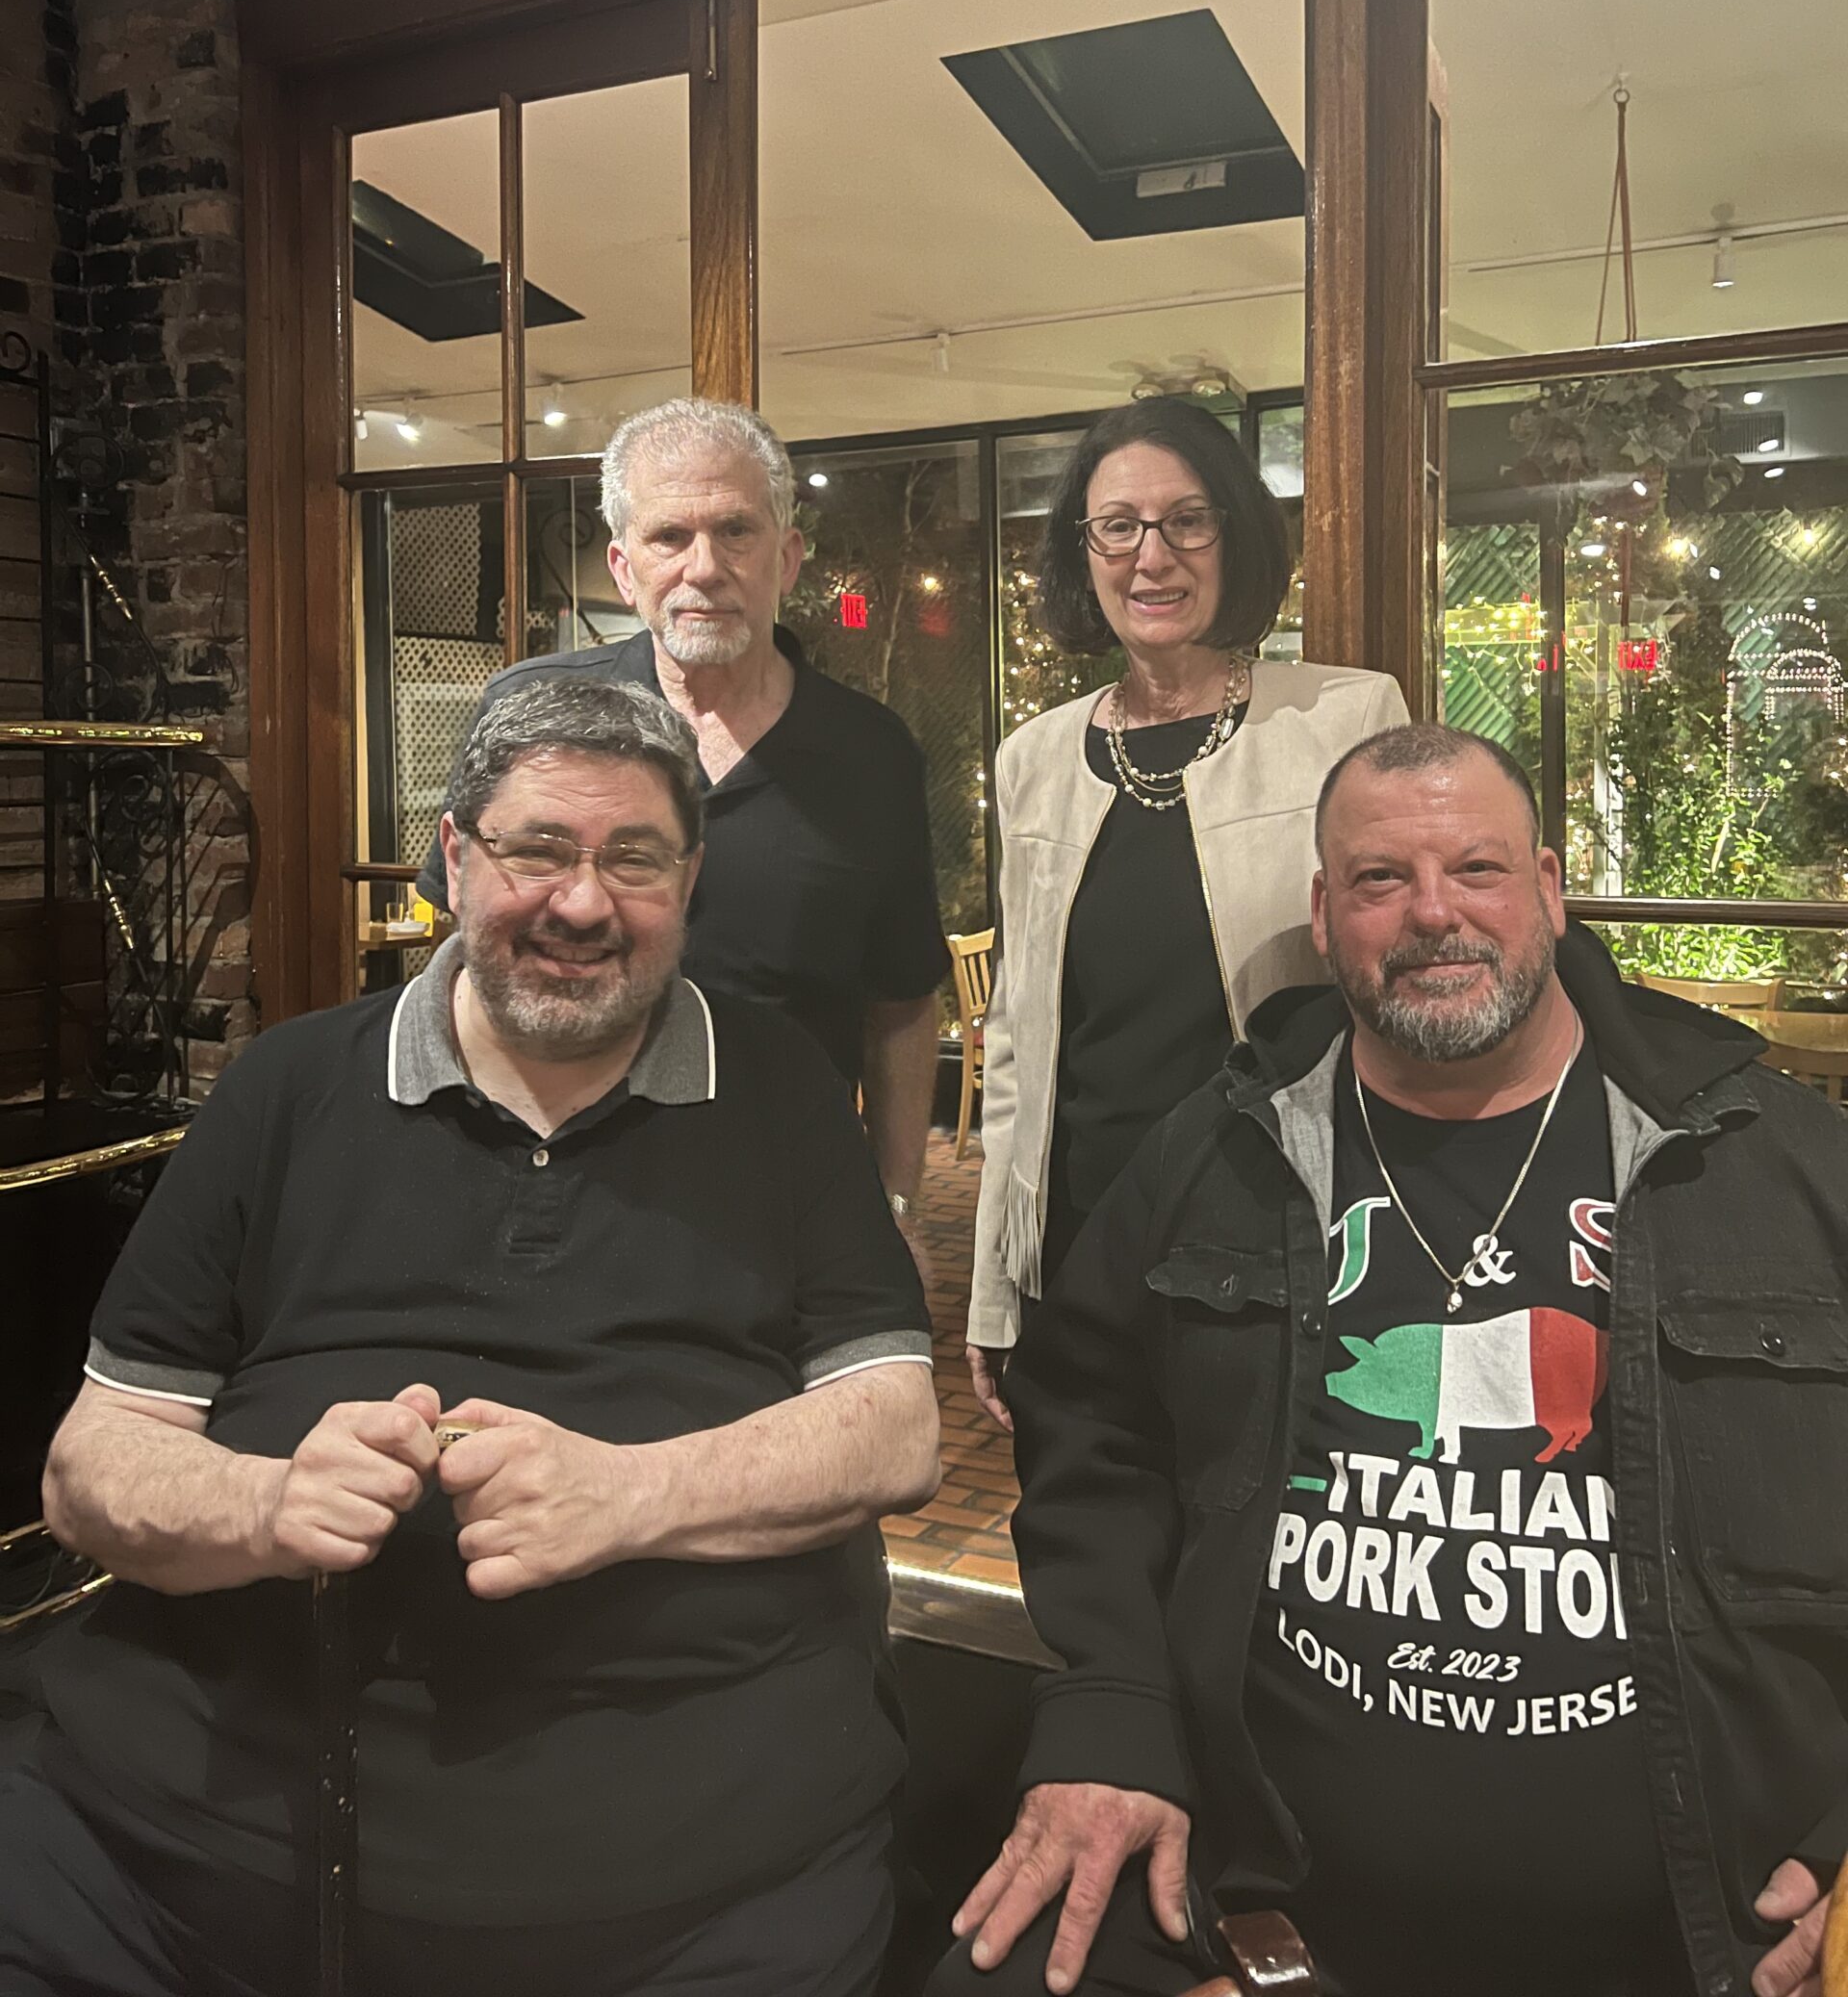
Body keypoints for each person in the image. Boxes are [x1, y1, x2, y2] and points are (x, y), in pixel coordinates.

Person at [5, 677, 940, 1997]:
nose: (582, 902)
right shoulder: (283, 1088)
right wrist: (263, 1504)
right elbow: (90, 1469)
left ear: (693, 877)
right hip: (153, 1869)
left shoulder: (782, 1088)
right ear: (455, 855)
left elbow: (896, 1428)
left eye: (636, 858)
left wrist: (628, 1495)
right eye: (539, 849)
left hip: (691, 1900)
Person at [933, 726, 1847, 1997]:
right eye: (1378, 881)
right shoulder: (1224, 1150)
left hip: (1700, 1927)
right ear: (1322, 913)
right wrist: (1114, 1714)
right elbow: (1089, 1426)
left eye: (1475, 870)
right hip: (1257, 1897)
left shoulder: (1776, 1165)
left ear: (1547, 887)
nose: (1431, 916)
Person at [965, 397, 1405, 1421]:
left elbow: (1402, 988)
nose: (1150, 556)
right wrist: (995, 1288)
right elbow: (1016, 1055)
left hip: (1280, 1247)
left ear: (1234, 534)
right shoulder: (1035, 759)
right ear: (1086, 551)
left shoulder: (1345, 716)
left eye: (1186, 520)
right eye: (1117, 525)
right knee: (1087, 1557)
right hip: (1081, 1249)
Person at [415, 397, 948, 1208]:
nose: (704, 568)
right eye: (670, 537)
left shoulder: (871, 755)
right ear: (626, 570)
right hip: (548, 1178)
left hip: (783, 1195)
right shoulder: (531, 716)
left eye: (736, 530)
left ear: (789, 557)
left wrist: (898, 1204)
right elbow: (458, 963)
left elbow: (902, 1004)